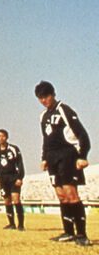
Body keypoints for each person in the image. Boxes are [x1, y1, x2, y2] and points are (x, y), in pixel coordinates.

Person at [35, 81, 91, 246]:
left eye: (46, 96)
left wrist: (82, 155)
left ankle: (82, 235)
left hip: (67, 155)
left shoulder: (64, 110)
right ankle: (68, 232)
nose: (44, 100)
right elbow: (46, 139)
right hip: (52, 158)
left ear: (53, 94)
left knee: (71, 193)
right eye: (40, 98)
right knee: (61, 195)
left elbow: (82, 134)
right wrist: (44, 158)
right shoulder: (43, 116)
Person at [0, 129, 25, 231]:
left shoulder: (13, 149)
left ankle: (21, 225)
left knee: (16, 199)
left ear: (7, 137)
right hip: (3, 178)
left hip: (13, 176)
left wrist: (20, 177)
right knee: (7, 201)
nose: (1, 138)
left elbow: (20, 163)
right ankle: (11, 224)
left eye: (3, 136)